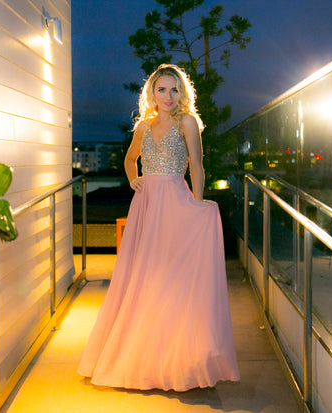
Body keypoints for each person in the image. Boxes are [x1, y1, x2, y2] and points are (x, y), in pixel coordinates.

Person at [78, 64, 240, 391]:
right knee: (143, 276)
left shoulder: (188, 123)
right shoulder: (143, 126)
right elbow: (128, 159)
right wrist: (133, 179)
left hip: (176, 202)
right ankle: (142, 351)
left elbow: (197, 165)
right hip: (146, 205)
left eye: (174, 90)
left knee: (172, 278)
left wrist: (196, 203)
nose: (168, 96)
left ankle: (179, 356)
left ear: (182, 93)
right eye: (162, 89)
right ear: (152, 93)